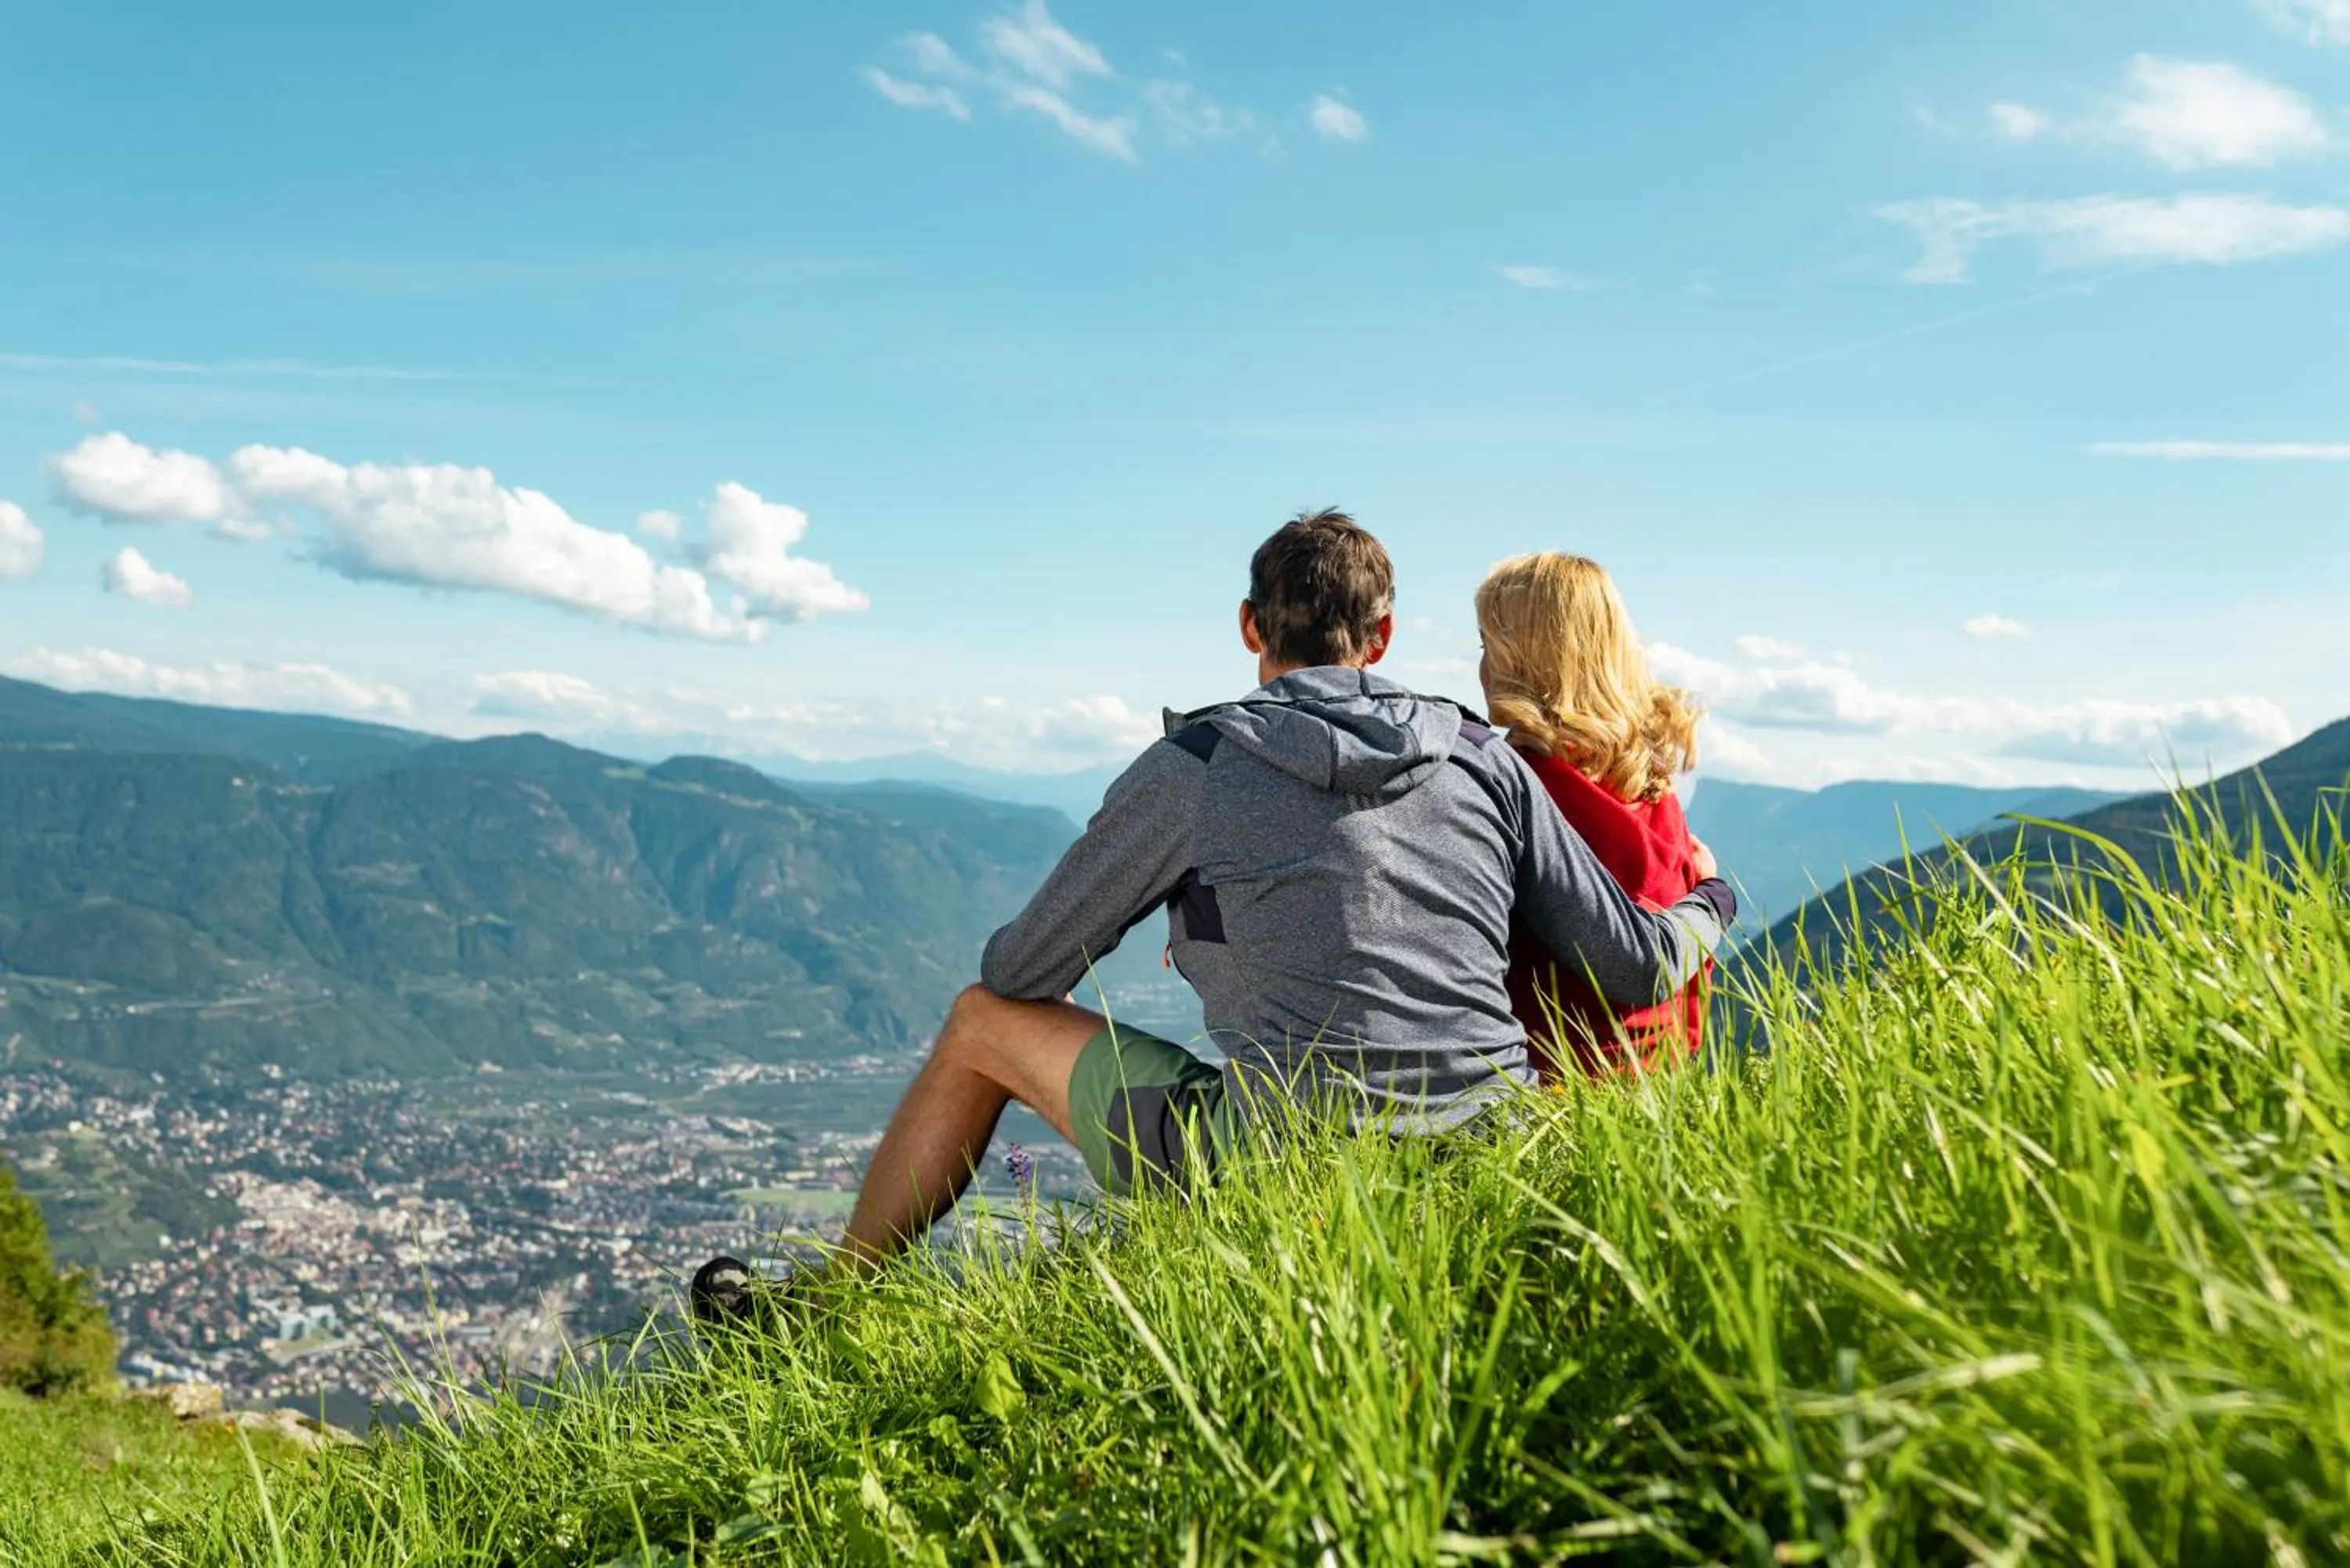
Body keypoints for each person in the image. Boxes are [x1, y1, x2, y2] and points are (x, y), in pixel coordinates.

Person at [692, 510, 1736, 1320]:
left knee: (979, 1022)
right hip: (1492, 1162)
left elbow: (1018, 972)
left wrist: (1190, 905)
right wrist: (1715, 897)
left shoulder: (1199, 766)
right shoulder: (1479, 759)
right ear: (1383, 637)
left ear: (1249, 626)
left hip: (1287, 1170)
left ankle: (828, 1304)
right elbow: (1638, 964)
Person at [1474, 552, 1710, 1079]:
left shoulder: (1515, 785)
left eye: (1488, 645)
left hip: (1547, 1081)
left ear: (1523, 657)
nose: (1483, 668)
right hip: (1660, 1072)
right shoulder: (1654, 783)